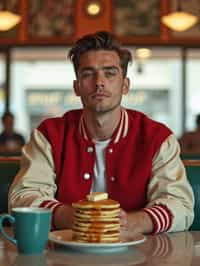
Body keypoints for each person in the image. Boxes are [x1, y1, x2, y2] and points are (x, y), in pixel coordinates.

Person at [9, 31, 194, 235]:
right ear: (77, 87)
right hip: (62, 255)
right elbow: (23, 197)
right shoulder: (49, 135)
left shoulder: (157, 137)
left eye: (110, 73)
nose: (99, 82)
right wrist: (77, 218)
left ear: (125, 85)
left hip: (141, 255)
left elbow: (180, 205)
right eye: (88, 73)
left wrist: (132, 222)